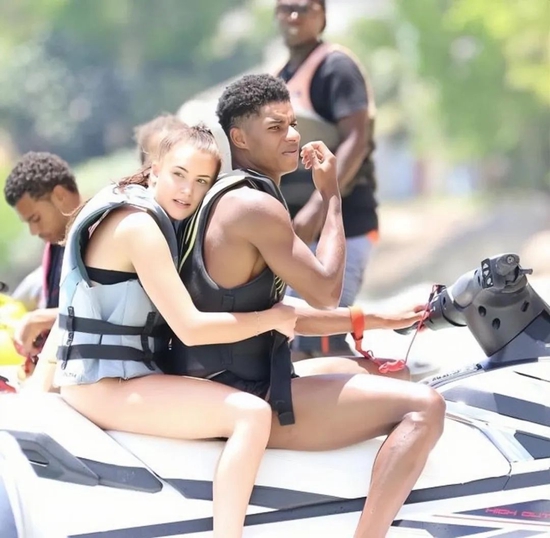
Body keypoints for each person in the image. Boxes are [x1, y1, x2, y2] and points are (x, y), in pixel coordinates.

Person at [168, 74, 445, 538]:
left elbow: (277, 315)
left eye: (293, 124)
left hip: (240, 378)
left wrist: (376, 318)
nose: (293, 136)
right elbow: (325, 290)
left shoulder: (226, 194)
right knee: (425, 407)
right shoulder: (252, 206)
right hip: (246, 395)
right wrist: (332, 195)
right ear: (240, 138)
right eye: (275, 128)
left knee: (385, 372)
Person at [49, 124, 297, 538]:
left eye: (201, 182)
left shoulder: (142, 212)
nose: (187, 190)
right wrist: (270, 319)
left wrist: (364, 319)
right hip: (103, 387)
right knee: (250, 415)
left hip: (111, 379)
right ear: (154, 171)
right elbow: (191, 329)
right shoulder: (139, 227)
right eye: (179, 174)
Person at [274, 0, 380, 360]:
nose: (293, 16)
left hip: (343, 226)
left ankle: (392, 385)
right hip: (301, 237)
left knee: (323, 342)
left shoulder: (336, 67)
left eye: (304, 8)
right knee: (290, 342)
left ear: (322, 15)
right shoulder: (282, 75)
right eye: (285, 8)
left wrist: (316, 209)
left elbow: (356, 139)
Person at [3, 152, 82, 367]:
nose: (33, 231)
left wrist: (43, 319)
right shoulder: (54, 248)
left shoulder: (101, 235)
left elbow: (110, 312)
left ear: (60, 195)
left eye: (36, 218)